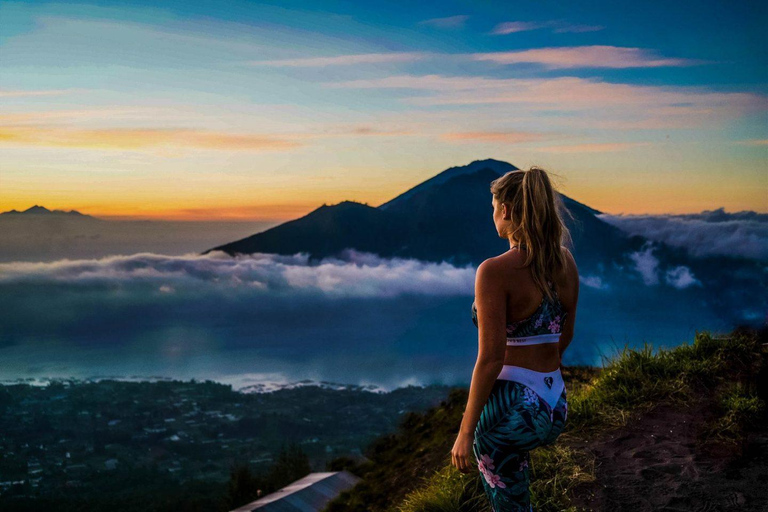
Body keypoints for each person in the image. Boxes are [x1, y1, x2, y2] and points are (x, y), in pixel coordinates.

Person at [450, 166, 579, 511]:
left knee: (509, 506)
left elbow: (491, 359)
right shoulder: (565, 262)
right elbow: (564, 335)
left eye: (493, 207)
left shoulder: (494, 271)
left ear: (505, 210)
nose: (493, 214)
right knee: (517, 495)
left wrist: (466, 432)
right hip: (554, 402)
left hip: (516, 405)